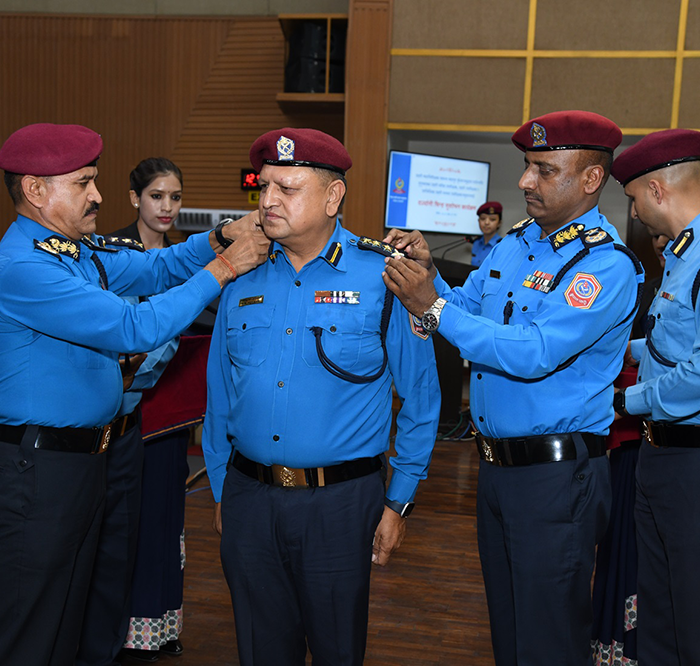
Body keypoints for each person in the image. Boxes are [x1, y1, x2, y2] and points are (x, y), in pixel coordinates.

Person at [0, 122, 269, 666]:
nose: (97, 195)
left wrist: (218, 238)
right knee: (30, 622)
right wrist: (224, 268)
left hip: (80, 465)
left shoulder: (73, 253)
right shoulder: (23, 266)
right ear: (35, 190)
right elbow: (133, 329)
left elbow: (156, 265)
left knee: (68, 613)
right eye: (84, 183)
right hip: (37, 471)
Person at [382, 110, 644, 666]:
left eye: (545, 170)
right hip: (497, 470)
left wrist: (430, 306)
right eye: (527, 166)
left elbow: (532, 352)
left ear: (591, 180)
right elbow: (465, 307)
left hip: (556, 477)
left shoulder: (605, 265)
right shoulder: (515, 244)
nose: (526, 181)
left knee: (547, 637)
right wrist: (429, 278)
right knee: (509, 626)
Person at [201, 127, 440, 666]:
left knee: (336, 648)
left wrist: (398, 498)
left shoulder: (385, 275)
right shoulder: (239, 275)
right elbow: (219, 394)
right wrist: (222, 487)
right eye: (263, 188)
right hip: (248, 497)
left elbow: (422, 400)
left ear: (333, 198)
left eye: (287, 188)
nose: (267, 201)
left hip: (340, 504)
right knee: (261, 650)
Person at [75, 158, 189, 666]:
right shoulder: (109, 250)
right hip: (111, 416)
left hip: (165, 417)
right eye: (157, 196)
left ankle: (155, 626)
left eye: (175, 197)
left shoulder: (187, 254)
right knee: (108, 536)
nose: (167, 207)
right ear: (134, 198)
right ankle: (109, 637)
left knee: (159, 523)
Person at [610, 128, 700, 666]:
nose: (637, 212)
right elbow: (675, 342)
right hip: (663, 457)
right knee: (661, 611)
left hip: (690, 461)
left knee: (689, 613)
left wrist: (628, 403)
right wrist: (617, 346)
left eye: (636, 198)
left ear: (659, 191)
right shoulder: (684, 256)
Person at [591, 232, 668, 665]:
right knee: (621, 552)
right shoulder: (643, 287)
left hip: (658, 444)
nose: (661, 241)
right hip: (626, 450)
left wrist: (622, 401)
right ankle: (617, 648)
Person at [470, 201, 502, 267]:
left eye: (492, 219)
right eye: (483, 218)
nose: (486, 223)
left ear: (499, 223)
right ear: (478, 221)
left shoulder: (501, 245)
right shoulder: (476, 243)